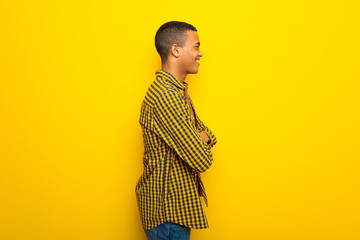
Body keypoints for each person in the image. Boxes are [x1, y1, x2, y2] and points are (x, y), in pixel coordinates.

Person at [135, 21, 217, 240]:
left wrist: (202, 136)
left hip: (173, 211)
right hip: (167, 213)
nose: (201, 53)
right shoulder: (165, 96)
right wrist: (201, 138)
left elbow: (206, 132)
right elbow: (201, 159)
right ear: (175, 50)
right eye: (196, 46)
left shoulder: (176, 93)